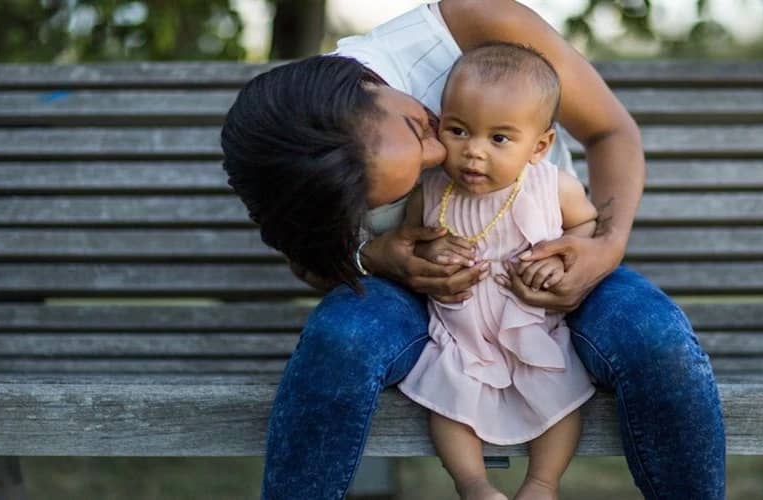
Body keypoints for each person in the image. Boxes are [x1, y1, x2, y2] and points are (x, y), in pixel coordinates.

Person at [219, 1, 725, 499]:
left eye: (420, 126)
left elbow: (610, 132)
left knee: (656, 337)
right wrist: (371, 256)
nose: (441, 154)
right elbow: (310, 262)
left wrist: (604, 249)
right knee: (341, 338)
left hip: (552, 265)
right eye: (403, 187)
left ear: (366, 81)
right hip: (417, 300)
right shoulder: (294, 168)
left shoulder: (469, 25)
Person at [397, 43, 598, 500]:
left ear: (539, 146)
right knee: (448, 397)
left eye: (499, 139)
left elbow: (587, 226)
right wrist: (433, 250)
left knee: (561, 394)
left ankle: (543, 483)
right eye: (458, 131)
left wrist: (560, 257)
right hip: (461, 330)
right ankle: (473, 484)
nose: (473, 152)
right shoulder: (430, 190)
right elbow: (414, 242)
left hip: (531, 325)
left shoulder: (553, 188)